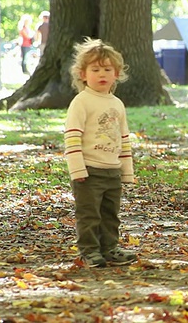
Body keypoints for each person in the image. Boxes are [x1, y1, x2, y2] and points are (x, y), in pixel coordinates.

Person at [64, 38, 137, 268]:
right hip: (89, 171)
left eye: (107, 69)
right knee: (89, 215)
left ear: (116, 74)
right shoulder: (81, 102)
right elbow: (72, 137)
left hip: (111, 170)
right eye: (95, 70)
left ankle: (110, 248)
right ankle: (89, 251)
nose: (101, 74)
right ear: (83, 74)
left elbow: (123, 139)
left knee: (109, 214)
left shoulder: (117, 103)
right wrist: (77, 169)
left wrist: (126, 172)